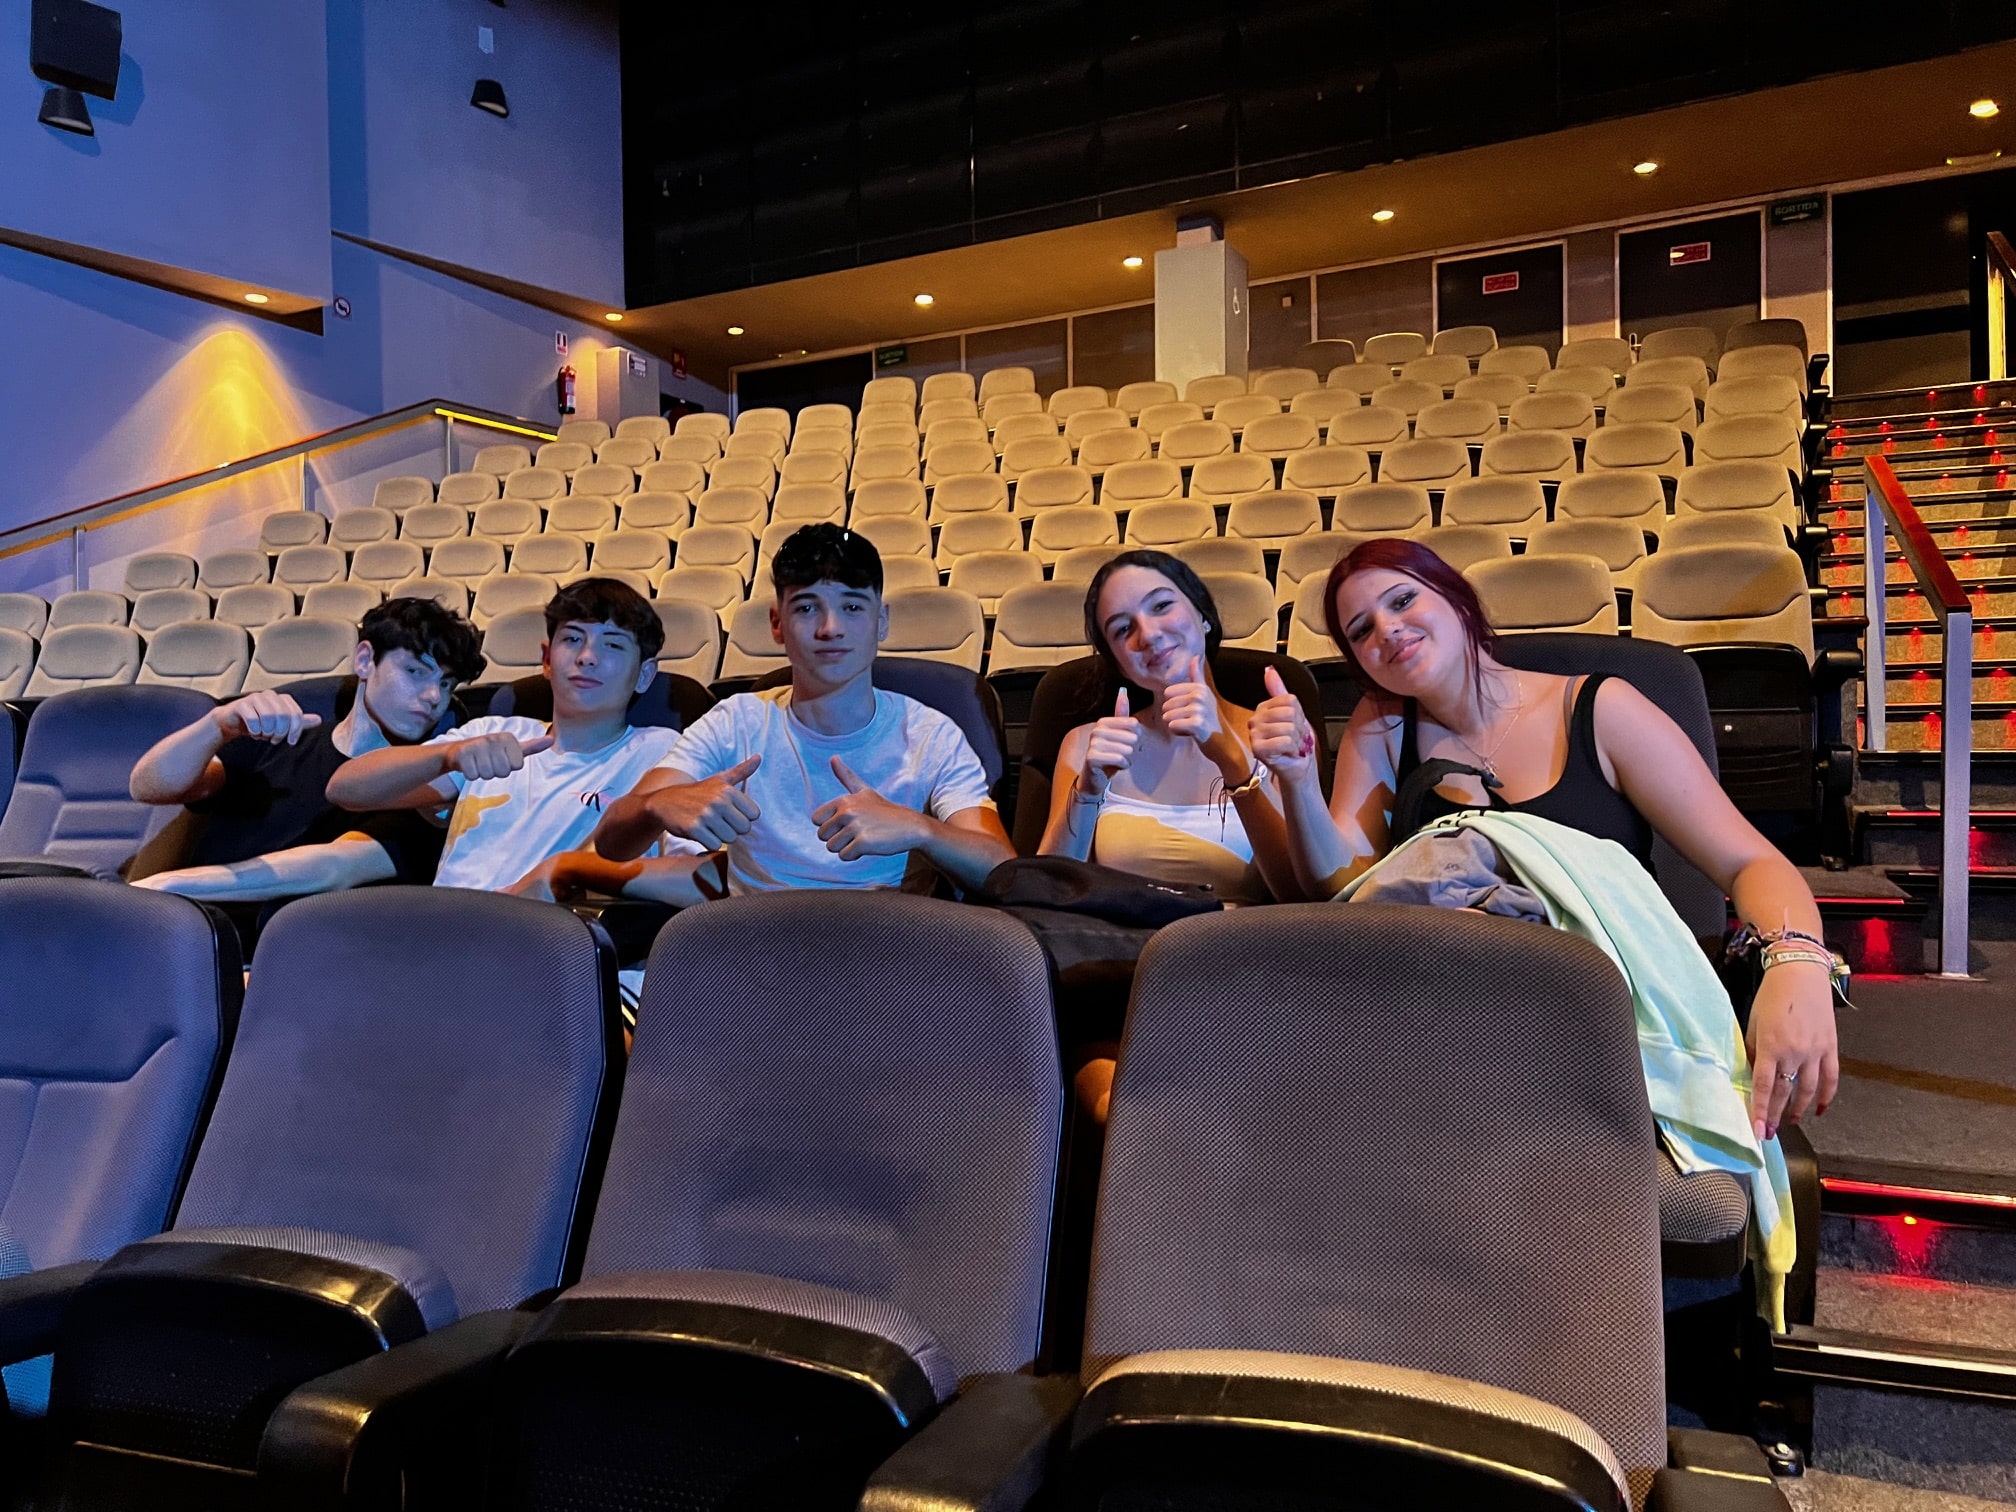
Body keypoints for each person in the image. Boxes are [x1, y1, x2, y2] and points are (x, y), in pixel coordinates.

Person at [1246, 537, 1839, 1143]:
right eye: (1361, 630)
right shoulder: (1383, 725)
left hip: (1592, 1019)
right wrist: (1297, 779)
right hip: (1441, 1022)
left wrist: (1796, 963)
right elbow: (1342, 886)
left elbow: (1750, 862)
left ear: (1455, 597)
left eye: (1402, 601)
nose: (1387, 629)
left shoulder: (1601, 708)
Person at [586, 523, 1013, 903]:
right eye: (807, 608)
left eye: (852, 607)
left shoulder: (930, 734)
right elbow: (610, 843)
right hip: (757, 940)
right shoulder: (736, 721)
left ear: (881, 621)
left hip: (887, 943)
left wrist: (921, 830)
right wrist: (655, 806)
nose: (830, 628)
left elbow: (1003, 871)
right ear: (777, 623)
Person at [324, 578, 684, 899]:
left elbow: (693, 874)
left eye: (613, 645)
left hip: (560, 941)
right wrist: (448, 756)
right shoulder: (489, 734)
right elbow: (346, 789)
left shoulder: (664, 752)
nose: (587, 657)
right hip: (444, 932)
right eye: (573, 639)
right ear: (547, 660)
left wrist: (565, 876)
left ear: (645, 674)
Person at [129, 597, 484, 900]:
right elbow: (148, 787)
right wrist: (218, 726)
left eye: (446, 683)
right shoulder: (281, 738)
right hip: (180, 923)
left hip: (269, 945)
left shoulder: (425, 786)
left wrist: (167, 886)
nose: (434, 696)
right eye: (416, 671)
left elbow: (334, 867)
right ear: (365, 660)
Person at [1039, 550, 1302, 906]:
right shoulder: (1086, 744)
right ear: (1119, 663)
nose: (1147, 635)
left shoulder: (1273, 732)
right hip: (1115, 939)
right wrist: (1088, 790)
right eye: (1123, 629)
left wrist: (1233, 761)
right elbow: (1047, 893)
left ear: (1203, 615)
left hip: (1239, 938)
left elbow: (1299, 897)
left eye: (1161, 606)